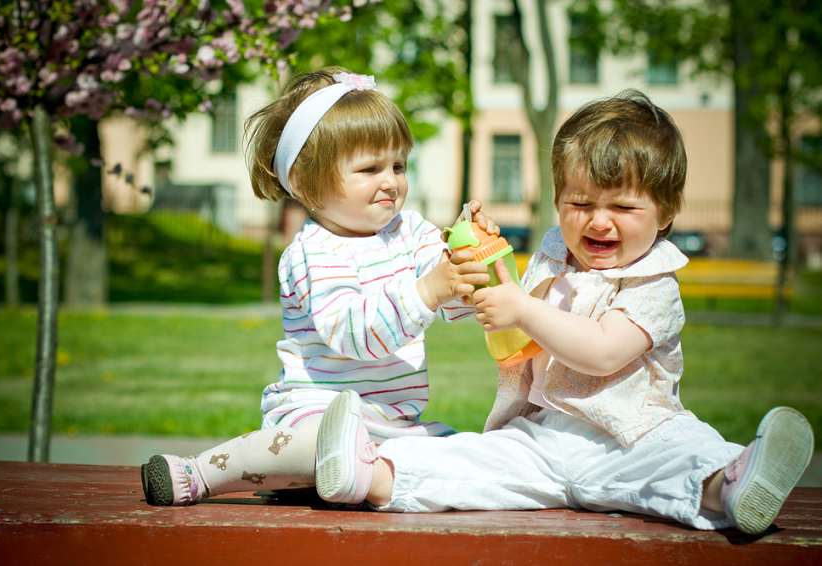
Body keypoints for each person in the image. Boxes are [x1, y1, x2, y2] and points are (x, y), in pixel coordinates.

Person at [313, 89, 815, 534]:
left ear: (666, 213)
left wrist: (524, 311)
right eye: (580, 203)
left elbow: (601, 351)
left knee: (684, 459)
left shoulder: (654, 282)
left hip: (635, 437)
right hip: (540, 435)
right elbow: (510, 324)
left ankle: (734, 485)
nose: (598, 221)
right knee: (469, 461)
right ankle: (369, 474)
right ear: (557, 200)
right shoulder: (554, 255)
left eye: (622, 207)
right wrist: (481, 256)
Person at [140, 67, 497, 506]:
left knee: (466, 451)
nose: (391, 180)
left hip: (393, 420)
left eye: (399, 165)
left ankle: (341, 476)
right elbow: (351, 334)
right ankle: (204, 473)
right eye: (369, 167)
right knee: (306, 443)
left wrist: (466, 258)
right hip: (317, 410)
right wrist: (429, 290)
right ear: (308, 183)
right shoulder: (313, 252)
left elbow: (450, 304)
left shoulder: (413, 231)